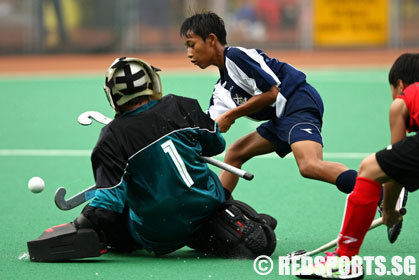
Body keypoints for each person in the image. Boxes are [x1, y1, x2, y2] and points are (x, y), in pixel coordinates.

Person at [27, 57, 276, 262]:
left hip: (156, 234)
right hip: (206, 206)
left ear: (112, 96)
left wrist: (82, 223)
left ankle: (182, 232)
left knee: (120, 204)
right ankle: (224, 224)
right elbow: (215, 145)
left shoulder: (111, 137)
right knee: (203, 202)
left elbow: (107, 207)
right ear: (151, 83)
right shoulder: (182, 105)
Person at [180, 12, 357, 194]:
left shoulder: (236, 56)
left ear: (211, 39)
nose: (189, 53)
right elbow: (209, 126)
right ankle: (217, 210)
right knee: (235, 153)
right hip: (281, 118)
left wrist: (230, 115)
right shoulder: (221, 90)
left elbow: (272, 93)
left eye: (191, 45)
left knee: (309, 165)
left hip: (297, 102)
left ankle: (376, 192)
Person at [297, 53, 419, 279]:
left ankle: (345, 258)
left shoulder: (403, 101)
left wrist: (389, 209)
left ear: (400, 84)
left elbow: (393, 170)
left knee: (370, 169)